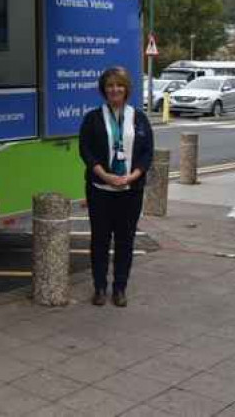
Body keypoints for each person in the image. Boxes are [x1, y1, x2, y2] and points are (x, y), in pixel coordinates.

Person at [78, 66, 154, 308]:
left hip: (130, 192)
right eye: (110, 85)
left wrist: (131, 177)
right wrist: (105, 176)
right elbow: (86, 151)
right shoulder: (92, 118)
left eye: (119, 85)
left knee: (125, 240)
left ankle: (120, 288)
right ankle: (99, 287)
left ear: (126, 89)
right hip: (100, 190)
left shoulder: (139, 118)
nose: (115, 89)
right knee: (99, 240)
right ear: (104, 89)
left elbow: (147, 153)